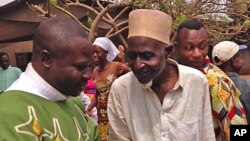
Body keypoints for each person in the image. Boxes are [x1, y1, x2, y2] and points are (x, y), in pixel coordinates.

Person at [107, 9, 215, 141]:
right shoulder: (121, 89)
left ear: (167, 52)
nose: (137, 64)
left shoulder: (196, 82)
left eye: (147, 56)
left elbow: (206, 135)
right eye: (132, 56)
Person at [0, 16, 100, 140]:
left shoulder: (74, 103)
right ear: (46, 59)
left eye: (90, 66)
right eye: (80, 67)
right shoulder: (8, 113)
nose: (88, 75)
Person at [174, 20, 247, 141]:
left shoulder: (216, 82)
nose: (197, 54)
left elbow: (238, 127)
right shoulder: (172, 75)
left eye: (202, 47)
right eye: (189, 47)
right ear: (176, 48)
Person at [87, 37, 130, 141]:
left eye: (98, 52)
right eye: (93, 53)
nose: (95, 55)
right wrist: (90, 107)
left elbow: (132, 76)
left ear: (106, 53)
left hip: (116, 114)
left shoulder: (116, 67)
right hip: (102, 116)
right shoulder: (95, 71)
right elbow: (98, 93)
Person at [212, 41, 250, 124]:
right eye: (240, 55)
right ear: (234, 60)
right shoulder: (247, 85)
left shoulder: (211, 85)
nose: (242, 58)